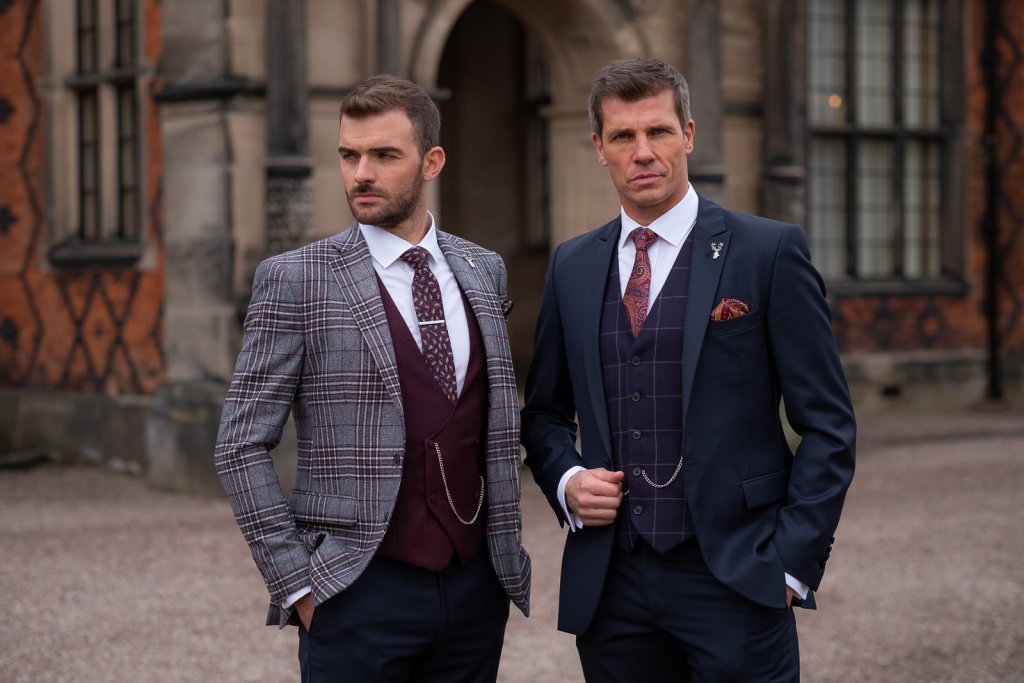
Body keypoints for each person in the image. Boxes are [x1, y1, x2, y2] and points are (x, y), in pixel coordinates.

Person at [521, 58, 856, 682]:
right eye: (623, 136)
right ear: (599, 147)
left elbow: (830, 426)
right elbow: (542, 412)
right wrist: (567, 480)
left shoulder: (767, 251)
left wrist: (788, 564)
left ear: (689, 135)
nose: (642, 152)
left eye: (659, 132)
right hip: (613, 585)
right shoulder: (572, 266)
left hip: (736, 575)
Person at [215, 74, 530, 683]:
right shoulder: (295, 279)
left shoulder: (482, 270)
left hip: (475, 593)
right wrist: (296, 583)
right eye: (349, 154)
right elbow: (239, 444)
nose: (361, 173)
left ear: (431, 161)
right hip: (354, 593)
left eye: (384, 155)